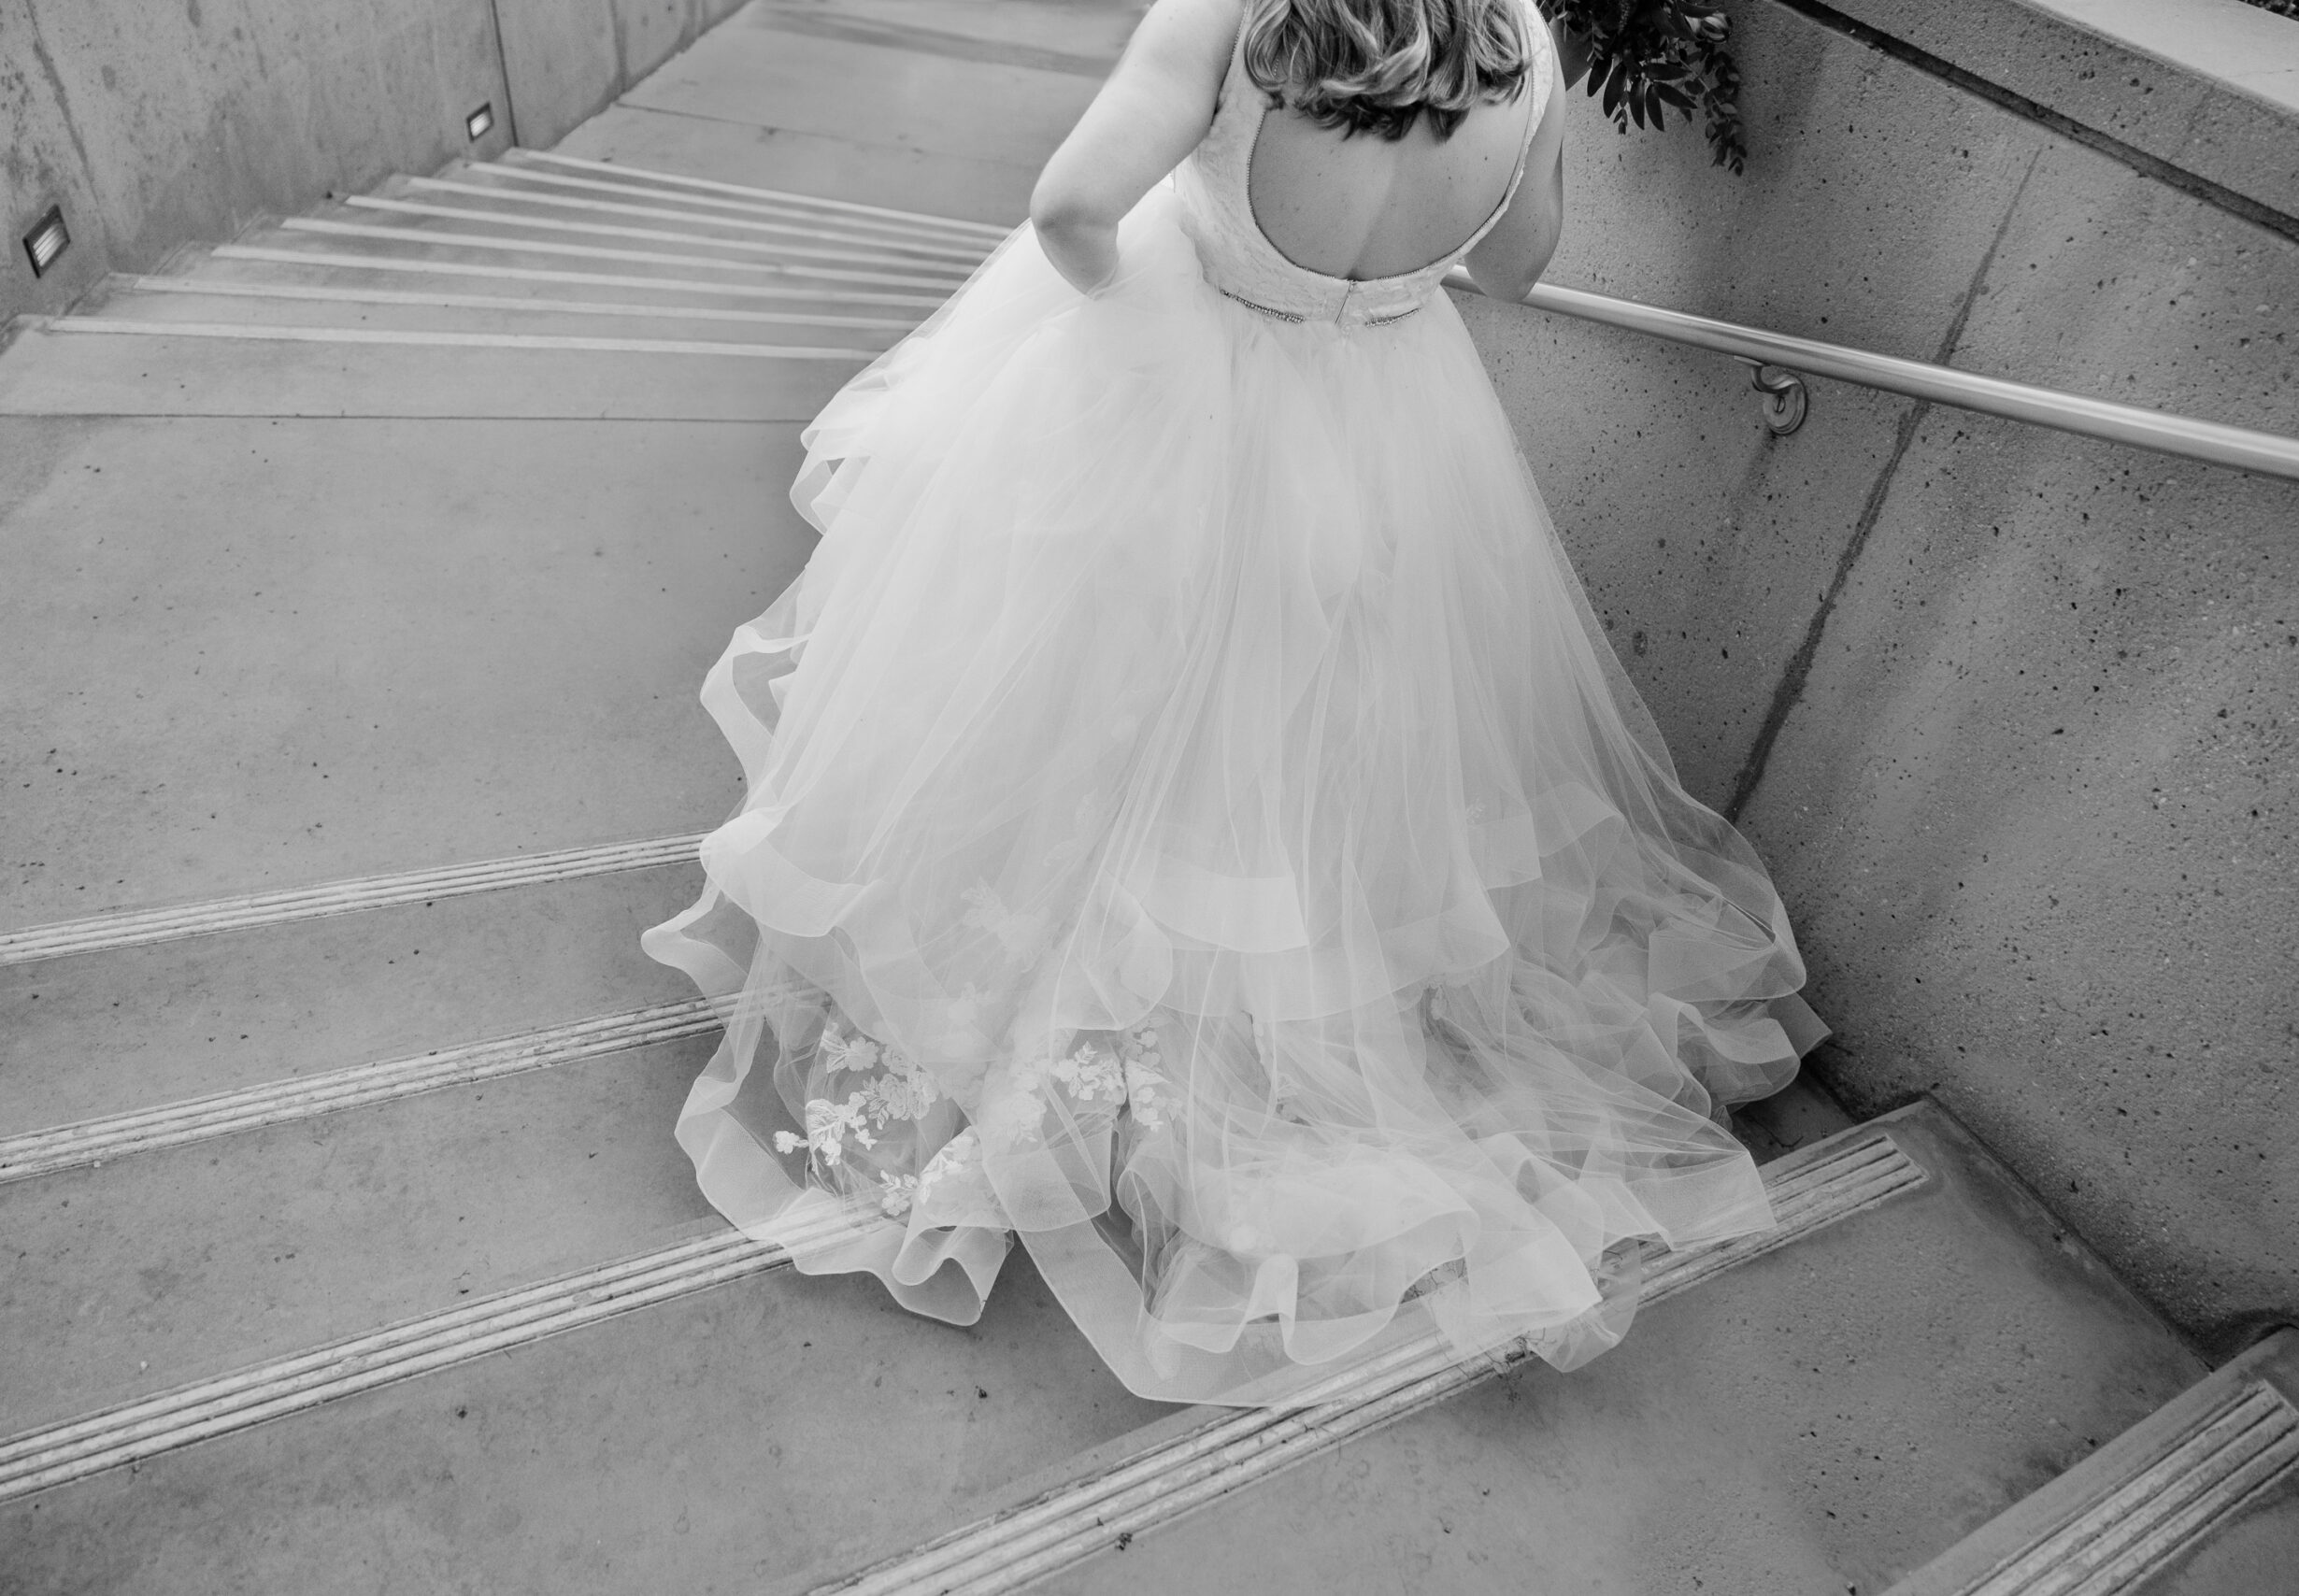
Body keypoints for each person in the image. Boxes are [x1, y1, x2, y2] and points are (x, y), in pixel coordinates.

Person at [644, 0, 1823, 1407]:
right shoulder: (1522, 38)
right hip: (1385, 437)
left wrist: (1146, 324)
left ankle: (1073, 1027)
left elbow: (1074, 207)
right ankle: (1229, 1036)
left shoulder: (1237, 13)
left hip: (1188, 421)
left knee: (1097, 729)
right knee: (1288, 759)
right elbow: (1515, 267)